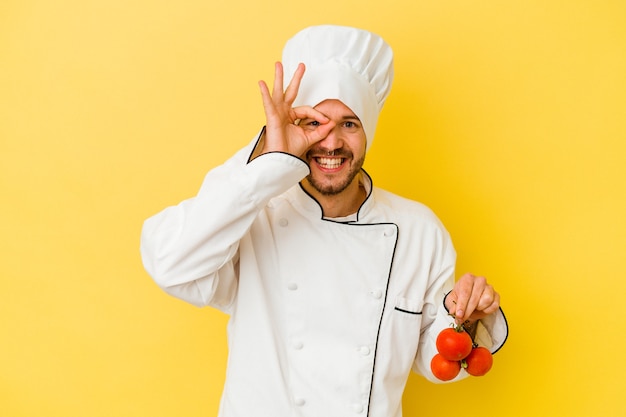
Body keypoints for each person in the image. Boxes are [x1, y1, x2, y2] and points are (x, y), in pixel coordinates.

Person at [140, 25, 508, 417]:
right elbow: (170, 264)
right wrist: (268, 157)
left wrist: (465, 323)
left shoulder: (418, 230)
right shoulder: (253, 215)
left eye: (349, 124)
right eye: (314, 123)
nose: (331, 142)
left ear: (368, 133)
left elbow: (435, 360)